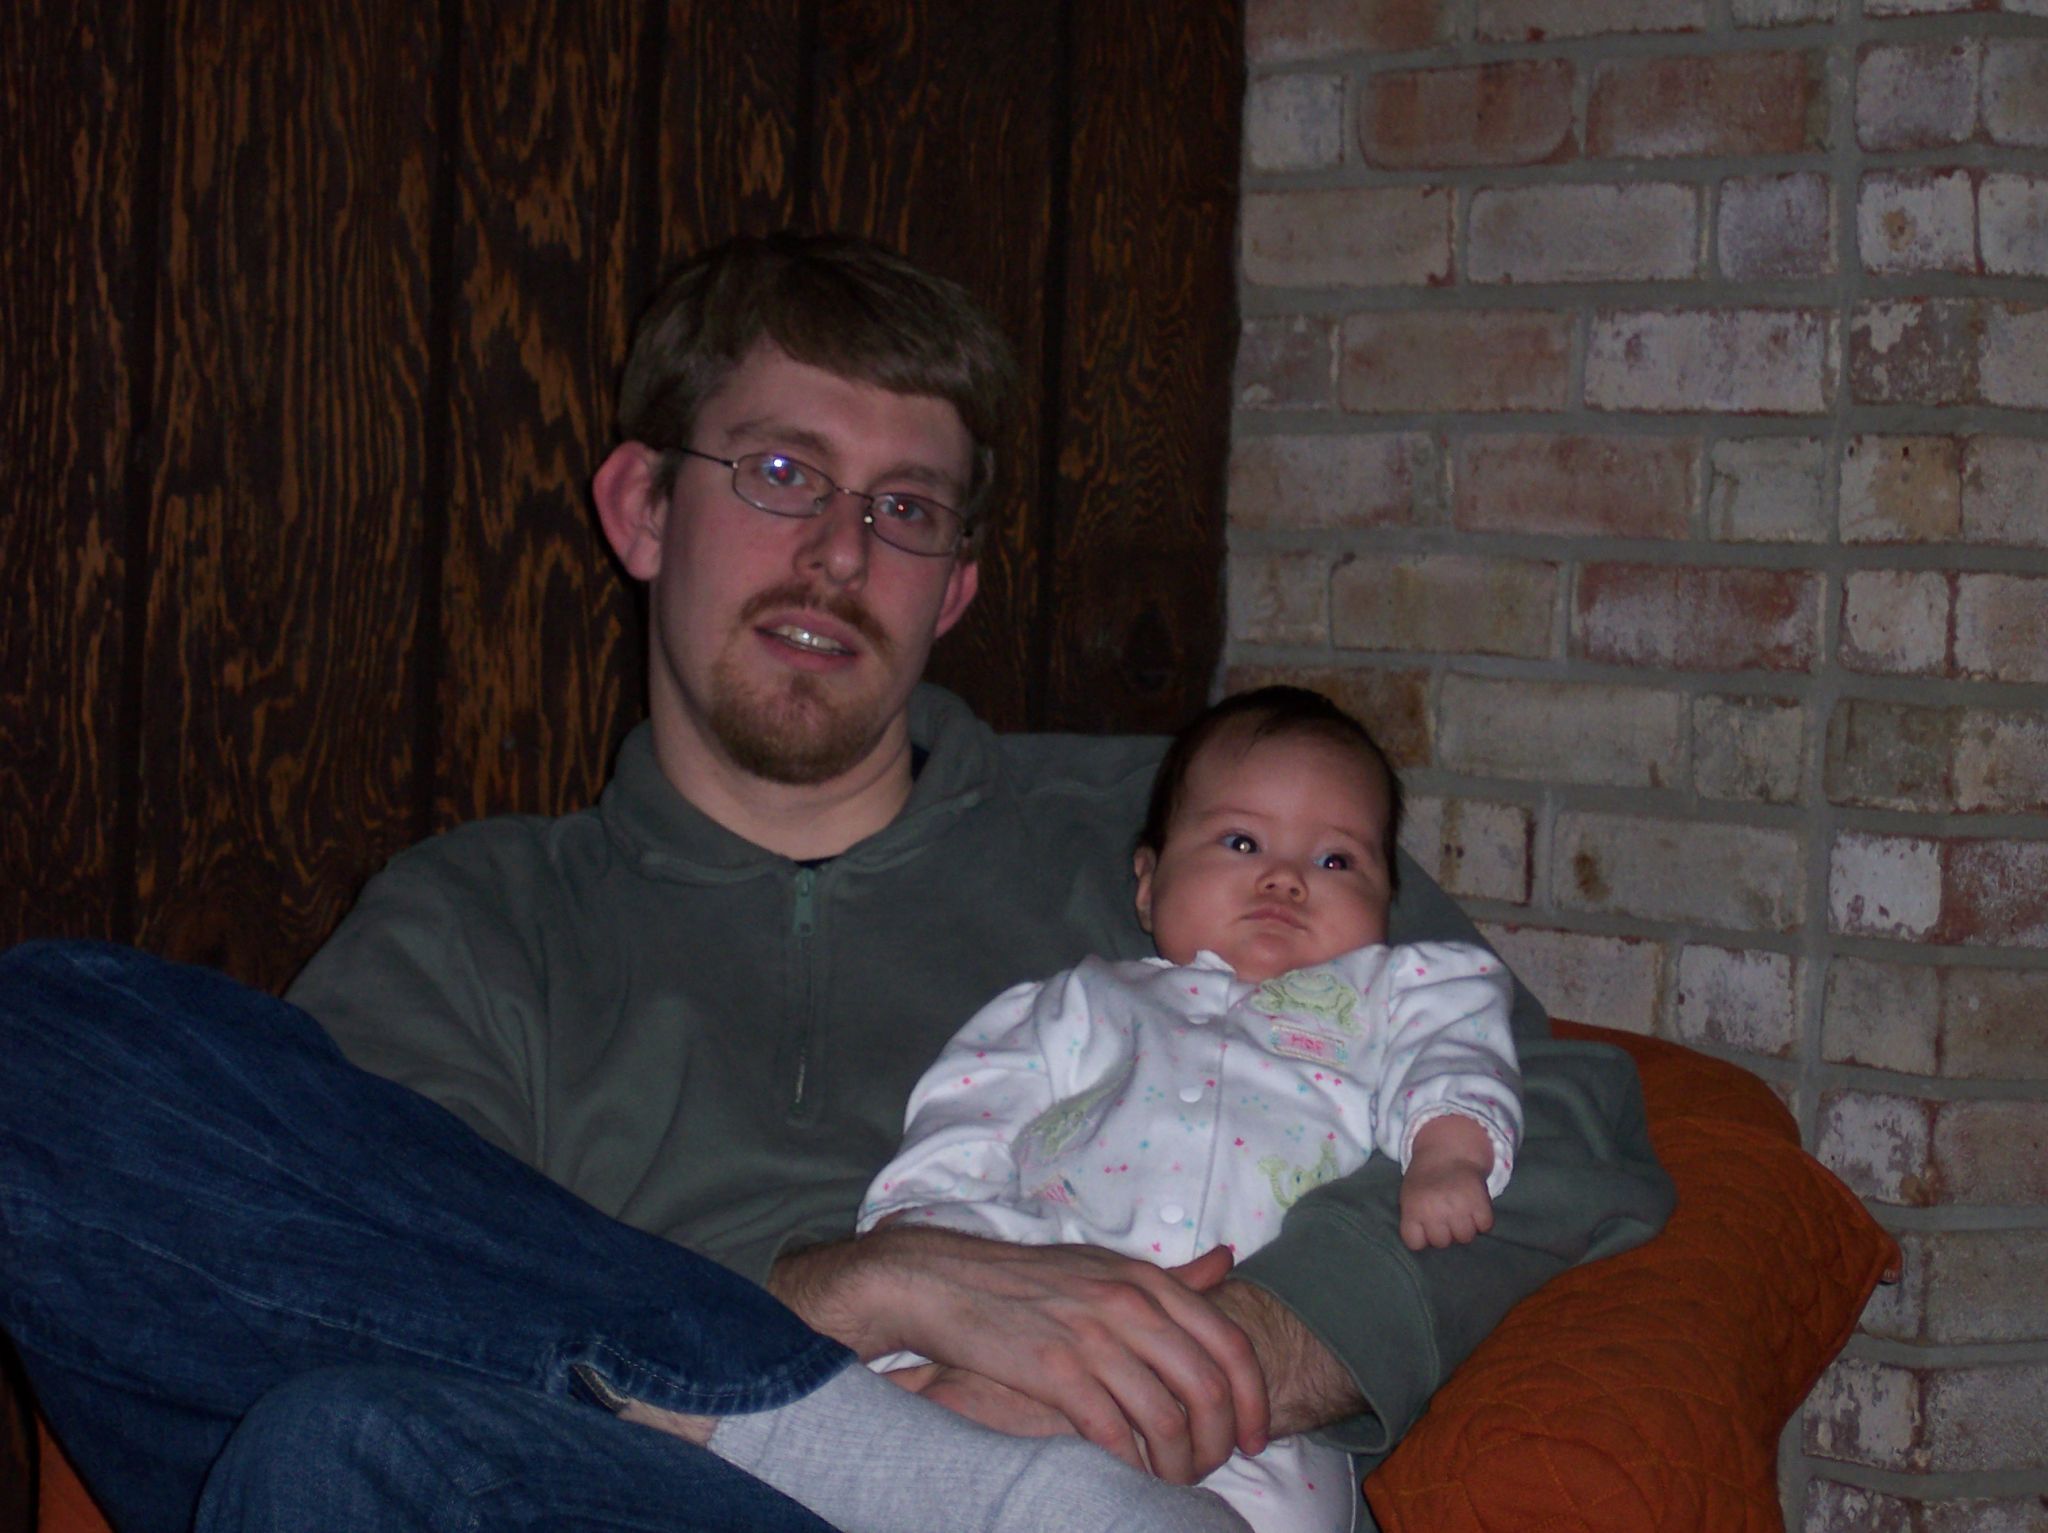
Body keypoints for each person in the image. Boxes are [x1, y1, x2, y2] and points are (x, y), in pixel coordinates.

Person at [0, 231, 1674, 1533]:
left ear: (954, 592)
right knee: (58, 1066)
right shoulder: (475, 922)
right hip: (627, 1501)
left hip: (1113, 1500)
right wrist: (858, 1291)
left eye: (906, 509)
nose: (837, 554)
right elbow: (352, 1284)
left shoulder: (1196, 836)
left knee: (336, 1453)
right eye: (782, 473)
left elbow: (1554, 1117)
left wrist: (1214, 1362)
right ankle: (810, 1423)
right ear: (642, 506)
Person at [859, 687, 1523, 1531]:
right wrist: (941, 1273)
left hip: (1255, 1428)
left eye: (1336, 861)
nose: (1285, 877)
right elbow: (965, 1125)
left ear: (1388, 909)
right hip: (1045, 1336)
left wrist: (1451, 1147)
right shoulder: (1078, 1003)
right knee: (940, 1456)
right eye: (1241, 841)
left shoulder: (1382, 1002)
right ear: (1147, 885)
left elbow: (1459, 1038)